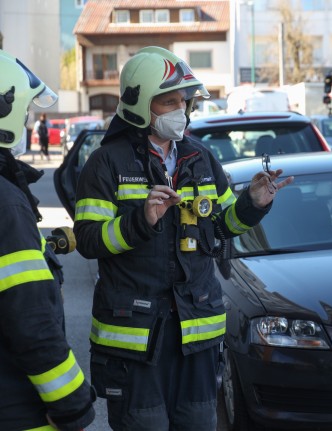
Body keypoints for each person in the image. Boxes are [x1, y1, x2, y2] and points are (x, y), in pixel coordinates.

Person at [72, 46, 292, 431]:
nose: (181, 109)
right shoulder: (106, 163)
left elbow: (222, 228)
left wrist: (253, 205)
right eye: (168, 101)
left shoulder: (200, 159)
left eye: (184, 100)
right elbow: (89, 240)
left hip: (197, 339)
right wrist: (140, 221)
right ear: (139, 104)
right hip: (135, 343)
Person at [0, 49, 96, 430]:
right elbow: (31, 319)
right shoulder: (6, 202)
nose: (28, 124)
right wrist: (73, 405)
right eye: (24, 114)